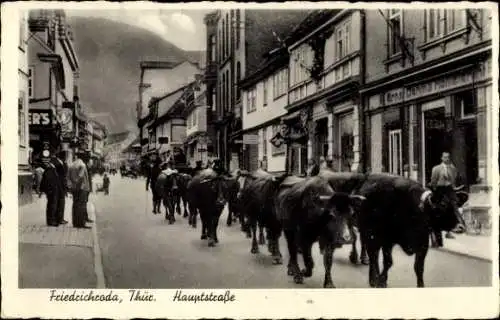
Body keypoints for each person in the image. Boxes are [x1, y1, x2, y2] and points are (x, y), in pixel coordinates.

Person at [429, 151, 466, 244]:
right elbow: (433, 182)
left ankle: (455, 226)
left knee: (453, 206)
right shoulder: (436, 169)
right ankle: (438, 232)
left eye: (448, 157)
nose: (447, 159)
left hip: (449, 190)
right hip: (440, 190)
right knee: (438, 209)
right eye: (445, 157)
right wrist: (436, 189)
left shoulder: (452, 168)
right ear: (441, 158)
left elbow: (454, 179)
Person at [68, 152, 91, 229]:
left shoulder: (71, 165)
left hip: (74, 188)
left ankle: (75, 222)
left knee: (75, 205)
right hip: (82, 188)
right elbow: (81, 177)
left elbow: (68, 177)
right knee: (81, 206)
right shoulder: (82, 165)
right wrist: (79, 187)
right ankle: (81, 223)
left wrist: (71, 186)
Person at [40, 155, 62, 227]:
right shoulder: (50, 169)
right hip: (52, 191)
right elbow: (48, 181)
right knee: (52, 205)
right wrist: (49, 190)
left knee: (52, 205)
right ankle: (51, 221)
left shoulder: (52, 168)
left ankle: (52, 220)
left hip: (53, 190)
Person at [52, 152, 68, 225]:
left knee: (60, 203)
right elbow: (61, 176)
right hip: (59, 186)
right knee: (59, 203)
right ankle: (58, 219)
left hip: (60, 186)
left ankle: (60, 218)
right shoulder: (57, 163)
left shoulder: (59, 162)